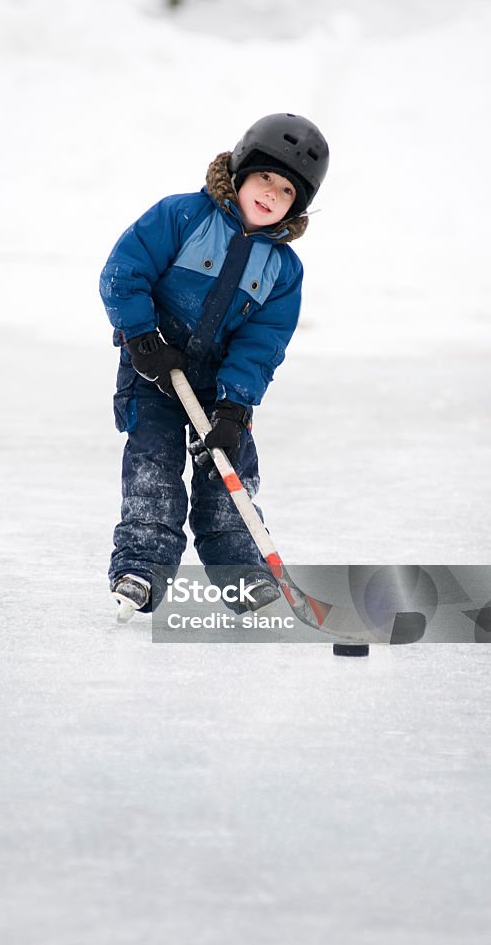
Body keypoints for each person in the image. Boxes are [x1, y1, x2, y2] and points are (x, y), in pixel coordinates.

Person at [99, 113, 329, 621]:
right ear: (242, 170)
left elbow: (263, 341)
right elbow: (123, 272)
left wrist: (234, 405)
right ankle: (141, 569)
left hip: (218, 389)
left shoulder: (283, 270)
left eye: (286, 190)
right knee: (153, 469)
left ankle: (245, 577)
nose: (271, 194)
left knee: (229, 476)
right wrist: (142, 339)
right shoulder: (181, 216)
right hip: (152, 369)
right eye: (265, 177)